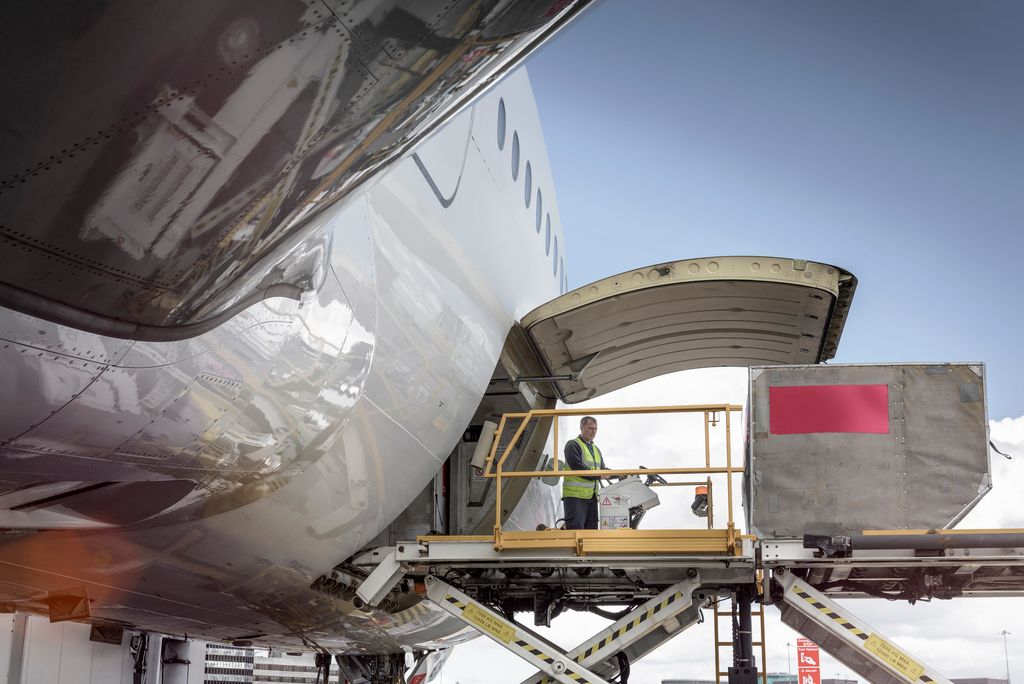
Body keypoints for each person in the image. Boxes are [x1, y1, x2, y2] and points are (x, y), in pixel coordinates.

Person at [562, 416, 607, 530]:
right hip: (575, 497)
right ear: (581, 428)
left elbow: (603, 469)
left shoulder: (596, 449)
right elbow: (578, 467)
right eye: (590, 428)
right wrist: (600, 475)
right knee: (576, 531)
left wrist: (621, 474)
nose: (594, 432)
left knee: (591, 532)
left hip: (591, 497)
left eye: (596, 429)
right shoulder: (573, 445)